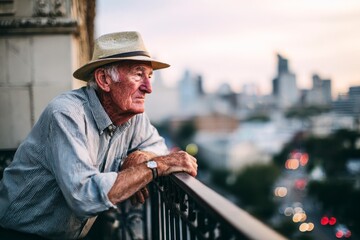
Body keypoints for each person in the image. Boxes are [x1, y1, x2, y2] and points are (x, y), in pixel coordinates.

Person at [0, 31, 198, 239]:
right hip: (18, 232)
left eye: (149, 76)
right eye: (138, 74)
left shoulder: (133, 116)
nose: (148, 88)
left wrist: (143, 157)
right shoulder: (66, 114)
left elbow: (158, 147)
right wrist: (155, 166)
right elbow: (84, 197)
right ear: (104, 79)